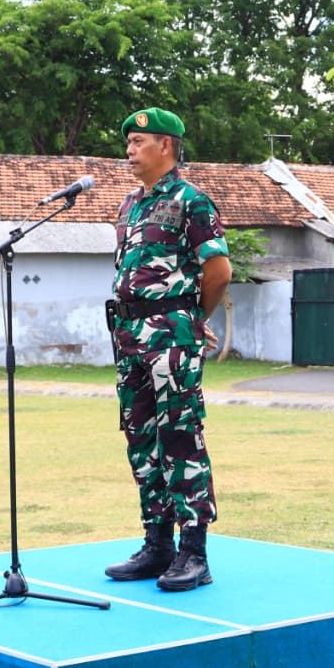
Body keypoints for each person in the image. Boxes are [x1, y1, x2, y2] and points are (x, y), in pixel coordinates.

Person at [103, 106, 232, 592]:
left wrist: (194, 318)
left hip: (171, 338)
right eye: (128, 143)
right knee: (141, 439)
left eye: (139, 142)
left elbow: (218, 271)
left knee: (180, 437)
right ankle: (157, 544)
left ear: (166, 146)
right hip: (129, 337)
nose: (129, 150)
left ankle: (194, 552)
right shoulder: (128, 205)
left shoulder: (192, 201)